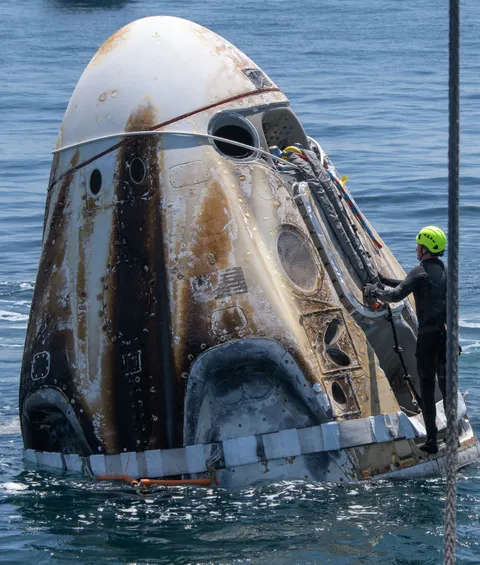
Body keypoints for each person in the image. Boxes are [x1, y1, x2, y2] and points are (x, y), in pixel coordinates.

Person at [364, 226, 447, 454]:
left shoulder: (419, 271)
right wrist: (385, 280)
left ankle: (431, 442)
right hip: (446, 337)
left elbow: (397, 295)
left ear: (424, 248)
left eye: (418, 245)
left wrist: (374, 290)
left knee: (428, 389)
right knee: (446, 386)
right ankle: (452, 437)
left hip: (429, 339)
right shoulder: (444, 271)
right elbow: (409, 284)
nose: (416, 249)